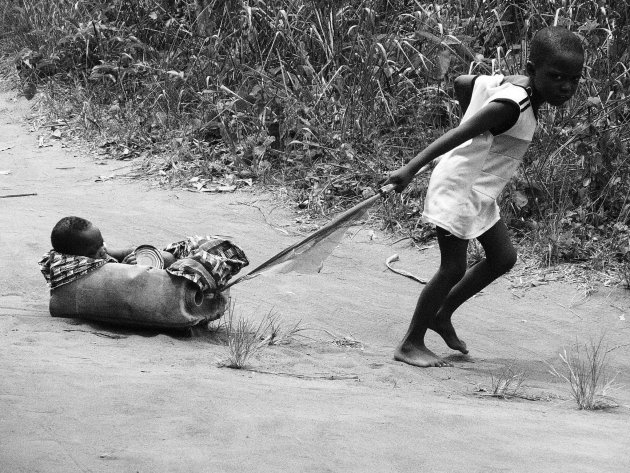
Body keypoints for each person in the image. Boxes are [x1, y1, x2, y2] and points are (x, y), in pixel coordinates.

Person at [383, 26, 585, 368]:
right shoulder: (511, 106)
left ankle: (442, 313)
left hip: (480, 190)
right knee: (452, 267)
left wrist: (479, 134)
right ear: (533, 70)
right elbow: (459, 132)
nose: (566, 86)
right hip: (460, 187)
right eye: (556, 76)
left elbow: (464, 82)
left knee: (503, 257)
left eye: (573, 79)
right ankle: (410, 342)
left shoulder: (519, 87)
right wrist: (408, 170)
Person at [39, 216, 249, 292]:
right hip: (148, 277)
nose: (102, 250)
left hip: (147, 264)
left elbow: (126, 251)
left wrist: (136, 256)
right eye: (94, 251)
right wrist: (129, 268)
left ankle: (187, 258)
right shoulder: (85, 269)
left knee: (172, 254)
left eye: (102, 244)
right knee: (178, 267)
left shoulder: (101, 254)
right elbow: (123, 279)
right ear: (78, 258)